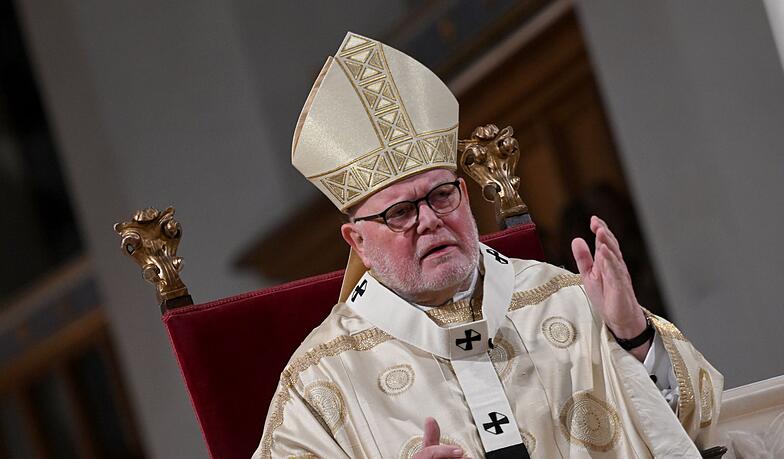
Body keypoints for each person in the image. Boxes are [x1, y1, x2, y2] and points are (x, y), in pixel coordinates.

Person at [254, 32, 722, 459]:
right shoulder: (319, 379)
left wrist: (632, 335)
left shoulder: (565, 298)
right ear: (357, 239)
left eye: (441, 195)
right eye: (399, 212)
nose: (430, 221)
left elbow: (697, 424)